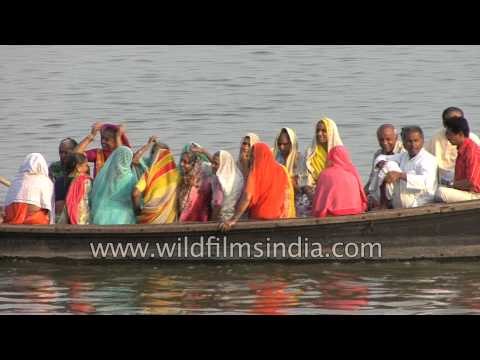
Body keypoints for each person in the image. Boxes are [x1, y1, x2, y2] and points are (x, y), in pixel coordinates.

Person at [219, 143, 295, 231]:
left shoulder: (256, 172)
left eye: (252, 156)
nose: (251, 159)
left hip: (259, 217)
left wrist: (233, 219)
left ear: (258, 156)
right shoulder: (282, 170)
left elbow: (247, 197)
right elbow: (287, 194)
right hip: (279, 217)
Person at [378, 126, 438, 209]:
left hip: (420, 201)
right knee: (389, 165)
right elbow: (381, 158)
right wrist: (381, 163)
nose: (413, 145)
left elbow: (426, 183)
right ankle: (382, 200)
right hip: (404, 199)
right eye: (409, 141)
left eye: (416, 141)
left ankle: (383, 203)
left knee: (390, 166)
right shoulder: (404, 155)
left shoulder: (428, 159)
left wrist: (400, 175)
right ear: (403, 143)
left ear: (422, 141)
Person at [298, 117, 343, 215]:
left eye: (324, 131)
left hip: (334, 191)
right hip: (313, 191)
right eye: (317, 130)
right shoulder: (309, 154)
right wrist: (313, 196)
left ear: (331, 132)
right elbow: (304, 181)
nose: (319, 134)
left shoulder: (339, 153)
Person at [425, 107, 480, 185]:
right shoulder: (436, 137)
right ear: (444, 123)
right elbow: (426, 158)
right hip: (442, 177)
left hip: (466, 180)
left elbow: (473, 177)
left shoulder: (472, 139)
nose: (455, 123)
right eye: (451, 121)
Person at [311, 146, 368, 218]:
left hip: (332, 214)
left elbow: (318, 203)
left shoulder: (325, 174)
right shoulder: (353, 173)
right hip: (355, 211)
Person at [132, 140, 180, 224]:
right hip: (169, 219)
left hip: (148, 218)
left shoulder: (149, 174)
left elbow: (135, 193)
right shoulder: (177, 174)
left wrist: (137, 211)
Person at [435, 117, 480, 203]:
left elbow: (472, 183)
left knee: (441, 192)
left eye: (449, 134)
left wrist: (451, 185)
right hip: (466, 191)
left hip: (475, 194)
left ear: (460, 134)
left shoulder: (471, 151)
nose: (447, 137)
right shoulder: (463, 149)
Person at [90, 146, 137, 225]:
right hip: (124, 217)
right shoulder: (131, 178)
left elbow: (96, 195)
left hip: (101, 215)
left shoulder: (104, 176)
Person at [3, 153, 54, 225]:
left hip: (11, 218)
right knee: (45, 216)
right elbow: (49, 208)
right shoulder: (46, 181)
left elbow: (6, 206)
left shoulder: (16, 179)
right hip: (32, 220)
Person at [364, 124, 404, 209]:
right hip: (380, 193)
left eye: (388, 139)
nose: (385, 143)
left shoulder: (403, 151)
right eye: (381, 140)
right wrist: (362, 195)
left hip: (399, 192)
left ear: (396, 137)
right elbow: (372, 179)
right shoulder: (378, 154)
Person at [177, 144, 213, 222]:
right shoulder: (180, 172)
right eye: (181, 161)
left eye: (186, 162)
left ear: (193, 163)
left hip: (199, 212)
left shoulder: (202, 170)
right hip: (184, 211)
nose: (182, 164)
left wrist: (204, 151)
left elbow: (217, 165)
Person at [58, 153, 92, 224]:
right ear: (78, 167)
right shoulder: (86, 181)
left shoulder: (60, 180)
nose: (87, 168)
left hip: (63, 218)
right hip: (81, 219)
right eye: (85, 165)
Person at [210, 150, 244, 221]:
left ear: (224, 165)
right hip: (234, 218)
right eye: (212, 162)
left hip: (221, 221)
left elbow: (217, 204)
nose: (212, 166)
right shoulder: (238, 176)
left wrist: (211, 222)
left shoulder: (220, 181)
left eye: (216, 164)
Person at [273, 127, 301, 192]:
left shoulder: (300, 159)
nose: (281, 147)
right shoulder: (276, 157)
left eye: (285, 144)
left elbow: (301, 185)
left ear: (292, 144)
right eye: (279, 144)